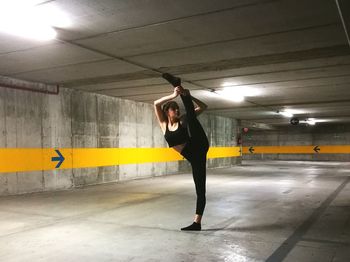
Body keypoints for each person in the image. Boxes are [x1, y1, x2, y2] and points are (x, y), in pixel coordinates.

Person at [154, 73, 209, 231]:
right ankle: (197, 223)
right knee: (200, 189)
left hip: (199, 146)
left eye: (177, 109)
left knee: (189, 117)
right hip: (193, 158)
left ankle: (181, 88)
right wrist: (173, 95)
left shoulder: (182, 120)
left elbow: (204, 107)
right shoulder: (164, 125)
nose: (177, 111)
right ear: (167, 112)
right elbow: (156, 104)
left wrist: (189, 97)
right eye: (174, 109)